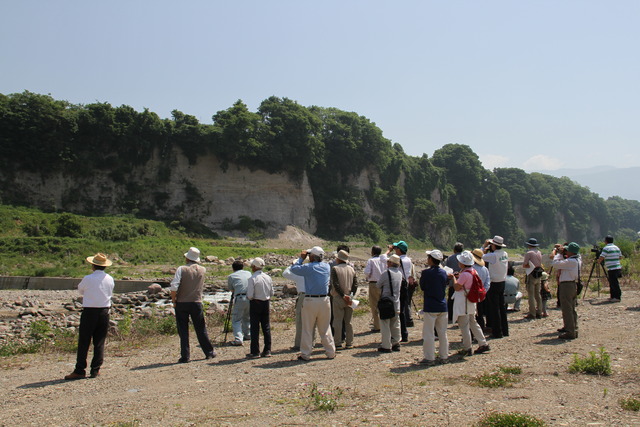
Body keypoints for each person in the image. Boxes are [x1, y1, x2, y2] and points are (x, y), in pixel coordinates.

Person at [64, 253, 115, 380]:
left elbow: (81, 290)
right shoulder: (110, 279)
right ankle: (95, 370)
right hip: (104, 311)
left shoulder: (88, 278)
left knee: (84, 341)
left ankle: (80, 369)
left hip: (90, 311)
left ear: (93, 265)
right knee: (99, 341)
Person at [170, 247, 216, 363]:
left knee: (183, 330)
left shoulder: (181, 269)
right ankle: (209, 352)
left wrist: (174, 300)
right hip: (197, 302)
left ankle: (185, 356)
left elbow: (174, 286)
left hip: (182, 302)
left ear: (187, 258)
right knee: (201, 328)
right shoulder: (202, 269)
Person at [290, 246, 336, 361]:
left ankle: (306, 354)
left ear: (312, 256)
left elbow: (294, 269)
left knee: (307, 328)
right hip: (324, 300)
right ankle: (330, 352)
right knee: (325, 328)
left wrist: (301, 258)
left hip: (310, 300)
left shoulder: (308, 267)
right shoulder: (326, 267)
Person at [449, 251, 490, 355]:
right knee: (473, 322)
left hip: (464, 301)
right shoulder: (473, 271)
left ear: (463, 263)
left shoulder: (465, 274)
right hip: (471, 301)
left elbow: (457, 287)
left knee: (464, 325)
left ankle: (467, 348)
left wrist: (453, 278)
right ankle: (483, 343)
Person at [380, 240, 415, 342]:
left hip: (397, 285)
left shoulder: (399, 260)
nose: (394, 250)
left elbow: (382, 258)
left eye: (395, 248)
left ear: (399, 250)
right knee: (402, 309)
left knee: (395, 310)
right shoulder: (408, 259)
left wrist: (388, 250)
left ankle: (396, 335)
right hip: (405, 285)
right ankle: (404, 334)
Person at [419, 250, 449, 365]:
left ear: (431, 259)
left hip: (431, 306)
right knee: (442, 332)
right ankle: (444, 356)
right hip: (442, 305)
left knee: (428, 333)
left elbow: (423, 287)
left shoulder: (426, 273)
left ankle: (429, 357)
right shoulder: (444, 273)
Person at [552, 242, 582, 340]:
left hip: (567, 285)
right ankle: (574, 328)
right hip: (572, 284)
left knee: (567, 309)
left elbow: (555, 264)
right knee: (571, 308)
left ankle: (570, 331)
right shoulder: (577, 259)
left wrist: (559, 254)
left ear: (571, 252)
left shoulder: (571, 261)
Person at [482, 235, 509, 339]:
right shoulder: (504, 253)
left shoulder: (493, 255)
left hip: (494, 283)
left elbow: (478, 256)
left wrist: (484, 246)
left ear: (493, 245)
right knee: (502, 307)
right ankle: (505, 330)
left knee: (494, 308)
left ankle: (497, 332)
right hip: (502, 281)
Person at [246, 258, 274, 358]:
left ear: (254, 267)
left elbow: (250, 295)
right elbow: (272, 293)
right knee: (266, 327)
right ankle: (267, 350)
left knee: (254, 327)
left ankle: (255, 351)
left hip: (255, 303)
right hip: (266, 303)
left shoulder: (252, 278)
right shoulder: (268, 277)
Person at [330, 250, 358, 349]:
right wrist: (350, 295)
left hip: (338, 297)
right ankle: (349, 342)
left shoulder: (335, 269)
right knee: (348, 321)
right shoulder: (351, 269)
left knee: (337, 321)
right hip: (349, 298)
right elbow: (355, 284)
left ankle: (338, 342)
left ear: (338, 259)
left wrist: (342, 295)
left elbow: (335, 284)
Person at [375, 254, 403, 353]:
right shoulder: (400, 274)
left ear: (390, 263)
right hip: (396, 302)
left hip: (386, 302)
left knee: (385, 324)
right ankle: (396, 343)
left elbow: (378, 285)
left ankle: (386, 345)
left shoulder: (386, 273)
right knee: (395, 323)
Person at [282, 262, 310, 350]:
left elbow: (285, 273)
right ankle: (311, 342)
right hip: (313, 295)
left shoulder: (299, 274)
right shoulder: (313, 271)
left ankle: (299, 344)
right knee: (311, 321)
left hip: (302, 296)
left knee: (300, 321)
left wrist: (293, 264)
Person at [227, 260, 252, 346]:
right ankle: (248, 335)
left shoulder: (231, 276)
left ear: (233, 268)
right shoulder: (248, 273)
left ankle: (238, 339)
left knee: (236, 319)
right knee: (247, 317)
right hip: (250, 297)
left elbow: (231, 289)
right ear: (243, 267)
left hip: (240, 297)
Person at [364, 245, 385, 332]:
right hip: (383, 284)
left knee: (374, 305)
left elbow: (367, 272)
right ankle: (384, 324)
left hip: (374, 284)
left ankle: (377, 326)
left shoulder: (371, 260)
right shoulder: (383, 260)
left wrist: (368, 277)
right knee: (383, 305)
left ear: (372, 252)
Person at [523, 238, 543, 319]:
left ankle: (532, 313)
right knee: (537, 294)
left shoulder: (529, 253)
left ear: (529, 245)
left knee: (531, 295)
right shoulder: (539, 252)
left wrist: (528, 266)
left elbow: (525, 264)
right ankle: (539, 311)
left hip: (531, 273)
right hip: (539, 273)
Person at [598, 235, 623, 302]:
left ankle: (617, 297)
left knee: (614, 283)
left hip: (612, 268)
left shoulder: (606, 248)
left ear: (606, 241)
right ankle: (613, 296)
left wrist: (598, 261)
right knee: (612, 282)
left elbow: (602, 257)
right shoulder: (616, 247)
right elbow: (620, 257)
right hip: (617, 267)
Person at [444, 242, 464, 323]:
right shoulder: (463, 257)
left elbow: (447, 269)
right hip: (463, 282)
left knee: (451, 299)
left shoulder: (450, 258)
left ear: (454, 250)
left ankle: (451, 316)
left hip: (453, 281)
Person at [471, 248, 491, 330]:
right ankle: (481, 328)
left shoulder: (472, 269)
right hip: (481, 293)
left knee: (473, 314)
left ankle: (474, 331)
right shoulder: (485, 269)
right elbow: (488, 282)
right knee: (480, 312)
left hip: (473, 293)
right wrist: (484, 291)